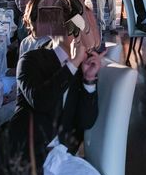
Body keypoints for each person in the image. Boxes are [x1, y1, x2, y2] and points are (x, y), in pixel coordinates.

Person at [8, 31, 103, 167]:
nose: (87, 35)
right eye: (79, 28)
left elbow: (86, 122)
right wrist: (72, 64)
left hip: (63, 159)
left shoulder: (84, 68)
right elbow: (41, 101)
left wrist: (89, 79)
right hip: (25, 156)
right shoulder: (31, 60)